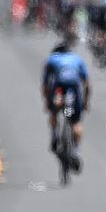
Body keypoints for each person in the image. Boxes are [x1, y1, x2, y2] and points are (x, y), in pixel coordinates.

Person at [41, 37, 90, 171]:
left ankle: (54, 136)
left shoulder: (52, 59)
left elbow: (45, 85)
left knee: (54, 110)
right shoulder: (77, 59)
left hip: (59, 88)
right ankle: (76, 151)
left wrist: (47, 103)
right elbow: (86, 85)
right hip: (73, 89)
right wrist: (85, 102)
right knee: (76, 123)